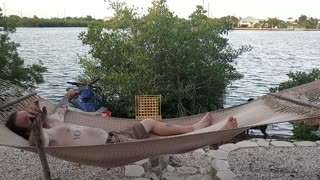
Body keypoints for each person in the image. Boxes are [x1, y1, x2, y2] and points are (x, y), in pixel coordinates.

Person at [5, 90, 238, 146]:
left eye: (30, 112)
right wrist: (36, 123)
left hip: (116, 135)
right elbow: (38, 144)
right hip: (113, 146)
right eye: (28, 118)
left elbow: (61, 107)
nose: (33, 115)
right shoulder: (42, 136)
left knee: (149, 122)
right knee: (156, 139)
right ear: (26, 130)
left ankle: (194, 127)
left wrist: (67, 96)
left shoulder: (52, 120)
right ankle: (209, 131)